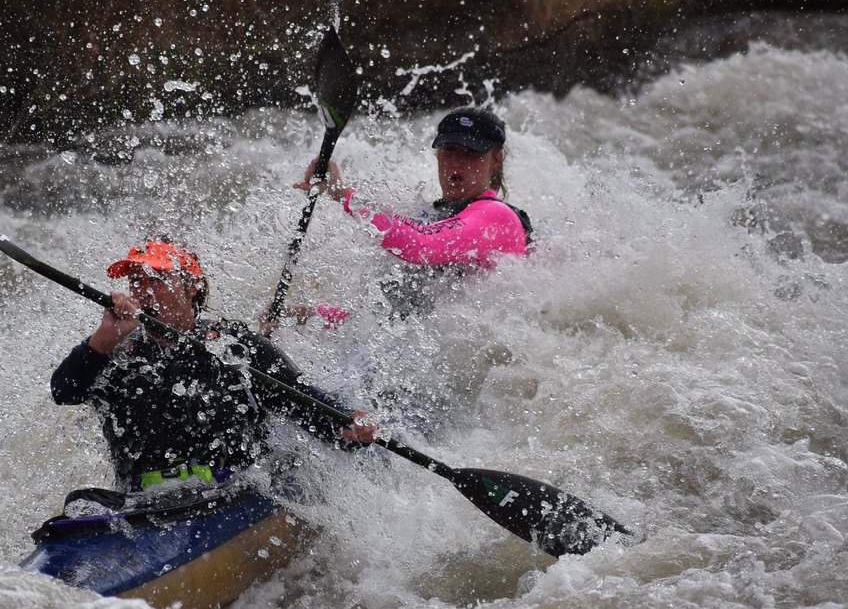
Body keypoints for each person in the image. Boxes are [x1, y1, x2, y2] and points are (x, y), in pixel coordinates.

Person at [49, 236, 377, 514]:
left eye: (157, 279)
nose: (144, 290)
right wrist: (102, 340)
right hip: (143, 504)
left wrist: (345, 424)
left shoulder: (236, 346)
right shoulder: (114, 353)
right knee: (80, 505)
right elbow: (64, 392)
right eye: (136, 280)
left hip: (232, 496)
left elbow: (300, 399)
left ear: (192, 286)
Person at [294, 105, 533, 320]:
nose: (458, 163)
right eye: (450, 150)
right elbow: (394, 318)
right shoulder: (432, 218)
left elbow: (423, 246)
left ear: (496, 160)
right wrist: (312, 315)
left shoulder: (496, 216)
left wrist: (344, 194)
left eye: (472, 153)